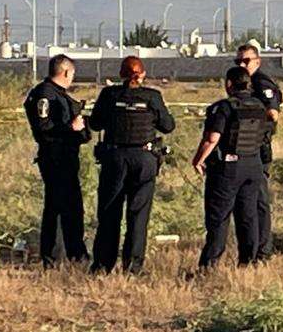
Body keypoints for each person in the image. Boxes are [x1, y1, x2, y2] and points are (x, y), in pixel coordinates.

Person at [87, 56, 175, 274]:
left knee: (109, 213)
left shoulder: (109, 95)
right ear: (143, 74)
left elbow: (95, 123)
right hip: (144, 159)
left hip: (114, 159)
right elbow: (168, 126)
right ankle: (133, 267)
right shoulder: (153, 97)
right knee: (138, 215)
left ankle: (102, 266)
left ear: (121, 74)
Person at [192, 66, 269, 271]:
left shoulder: (224, 108)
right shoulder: (260, 107)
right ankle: (249, 262)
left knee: (219, 218)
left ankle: (209, 265)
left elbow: (212, 139)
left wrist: (198, 160)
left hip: (228, 168)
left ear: (228, 84)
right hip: (253, 166)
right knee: (248, 216)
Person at [23, 54, 91, 268]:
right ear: (66, 72)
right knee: (64, 208)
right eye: (72, 74)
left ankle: (60, 255)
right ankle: (69, 255)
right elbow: (44, 128)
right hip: (55, 157)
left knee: (62, 207)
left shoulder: (59, 95)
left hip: (65, 156)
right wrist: (70, 129)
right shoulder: (45, 95)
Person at [235, 43, 283, 262]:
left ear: (257, 61)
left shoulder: (261, 83)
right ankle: (252, 249)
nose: (242, 65)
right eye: (238, 62)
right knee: (246, 202)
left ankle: (263, 250)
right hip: (243, 148)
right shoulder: (242, 83)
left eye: (246, 61)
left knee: (260, 201)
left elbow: (273, 113)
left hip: (258, 147)